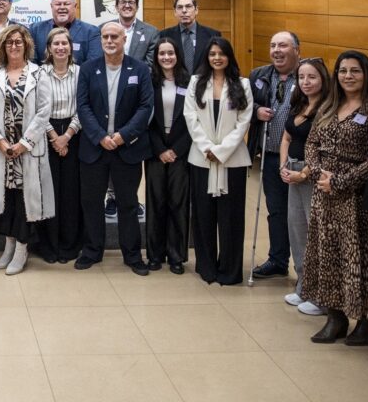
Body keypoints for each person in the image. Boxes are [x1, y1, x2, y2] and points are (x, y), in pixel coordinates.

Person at [301, 50, 368, 345]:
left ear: (366, 74)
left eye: (355, 71)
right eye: (343, 71)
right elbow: (311, 143)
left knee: (359, 259)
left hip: (357, 197)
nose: (348, 76)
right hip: (324, 194)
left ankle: (367, 322)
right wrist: (318, 172)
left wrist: (342, 181)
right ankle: (335, 317)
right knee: (328, 256)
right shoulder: (329, 106)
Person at [76, 22, 154, 274]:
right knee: (92, 203)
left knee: (128, 204)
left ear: (124, 40)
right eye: (105, 37)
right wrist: (100, 136)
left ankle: (132, 255)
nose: (109, 41)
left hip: (127, 149)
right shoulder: (88, 69)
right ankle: (92, 251)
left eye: (114, 37)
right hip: (94, 148)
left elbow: (145, 107)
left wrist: (122, 136)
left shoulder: (139, 69)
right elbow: (83, 106)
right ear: (100, 40)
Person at [0, 25, 54, 276]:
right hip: (2, 151)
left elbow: (44, 111)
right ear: (3, 46)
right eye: (9, 42)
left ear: (26, 45)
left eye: (18, 42)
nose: (14, 46)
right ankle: (9, 244)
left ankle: (22, 249)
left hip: (27, 151)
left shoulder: (38, 73)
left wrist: (25, 143)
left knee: (24, 202)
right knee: (6, 200)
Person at [183, 37, 253, 285]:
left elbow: (243, 121)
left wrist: (222, 151)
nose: (217, 58)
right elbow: (190, 117)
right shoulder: (196, 82)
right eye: (212, 54)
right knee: (203, 215)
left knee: (231, 217)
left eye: (221, 54)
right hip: (201, 159)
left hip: (233, 160)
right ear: (207, 57)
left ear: (229, 56)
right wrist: (207, 148)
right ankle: (207, 267)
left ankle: (230, 270)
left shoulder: (242, 84)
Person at [278, 57, 329, 315]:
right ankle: (303, 286)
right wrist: (283, 165)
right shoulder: (299, 104)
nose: (306, 82)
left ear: (323, 79)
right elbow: (287, 136)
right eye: (301, 77)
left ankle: (321, 295)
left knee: (315, 234)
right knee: (297, 231)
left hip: (313, 177)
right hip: (293, 172)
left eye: (312, 77)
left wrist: (304, 173)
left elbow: (324, 149)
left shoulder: (328, 109)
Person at [249, 31, 302, 280]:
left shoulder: (306, 75)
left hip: (299, 158)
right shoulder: (259, 75)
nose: (276, 51)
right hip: (269, 155)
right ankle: (278, 260)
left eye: (283, 45)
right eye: (273, 46)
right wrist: (256, 110)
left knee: (300, 214)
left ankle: (306, 266)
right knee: (276, 210)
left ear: (297, 50)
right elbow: (242, 103)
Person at [144, 36, 192, 274]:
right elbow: (145, 118)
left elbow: (194, 120)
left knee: (178, 203)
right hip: (155, 151)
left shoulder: (189, 82)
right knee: (156, 203)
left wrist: (176, 150)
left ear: (177, 55)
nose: (166, 57)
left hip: (181, 151)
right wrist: (160, 150)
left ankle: (176, 256)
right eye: (161, 53)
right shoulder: (149, 81)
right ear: (156, 57)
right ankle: (154, 255)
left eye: (170, 53)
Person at [36, 27, 83, 264]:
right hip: (46, 134)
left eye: (65, 43)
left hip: (75, 135)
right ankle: (48, 246)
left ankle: (69, 245)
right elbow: (37, 109)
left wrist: (68, 135)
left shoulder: (81, 72)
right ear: (49, 48)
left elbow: (84, 106)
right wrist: (55, 136)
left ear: (71, 47)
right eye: (56, 44)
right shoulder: (39, 73)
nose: (61, 47)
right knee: (48, 191)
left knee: (70, 192)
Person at [29, 0, 100, 64]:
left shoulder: (91, 32)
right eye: (58, 4)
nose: (62, 7)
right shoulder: (35, 30)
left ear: (75, 6)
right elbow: (31, 62)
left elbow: (93, 64)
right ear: (51, 6)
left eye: (66, 4)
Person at [157, 0, 221, 75]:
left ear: (196, 10)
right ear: (175, 12)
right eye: (180, 7)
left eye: (188, 6)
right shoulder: (165, 35)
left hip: (204, 81)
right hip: (176, 81)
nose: (184, 11)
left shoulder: (212, 35)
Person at [111, 0, 159, 65]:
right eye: (123, 2)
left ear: (137, 7)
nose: (127, 5)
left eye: (131, 2)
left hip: (140, 72)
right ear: (117, 7)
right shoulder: (103, 29)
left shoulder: (151, 32)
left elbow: (150, 63)